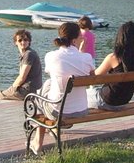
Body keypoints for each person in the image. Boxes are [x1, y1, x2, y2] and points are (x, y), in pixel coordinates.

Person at [28, 22, 95, 155]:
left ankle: (38, 141)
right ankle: (46, 132)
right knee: (48, 84)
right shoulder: (86, 58)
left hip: (58, 111)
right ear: (76, 39)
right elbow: (92, 77)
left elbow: (51, 72)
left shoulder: (51, 56)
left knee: (38, 96)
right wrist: (81, 52)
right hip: (81, 110)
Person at [87, 21, 134, 110]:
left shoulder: (113, 58)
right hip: (124, 102)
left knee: (83, 94)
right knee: (94, 90)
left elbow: (94, 76)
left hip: (107, 101)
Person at [0, 29, 42, 101]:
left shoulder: (29, 54)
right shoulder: (26, 54)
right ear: (15, 42)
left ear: (29, 41)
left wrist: (12, 88)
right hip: (32, 90)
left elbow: (22, 77)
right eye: (20, 40)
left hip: (28, 91)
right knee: (5, 94)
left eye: (25, 40)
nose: (23, 42)